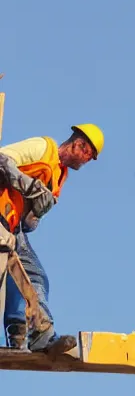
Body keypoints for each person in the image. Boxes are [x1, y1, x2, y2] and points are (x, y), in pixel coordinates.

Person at [0, 123, 104, 352]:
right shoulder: (42, 148)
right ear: (79, 144)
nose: (87, 161)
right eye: (88, 155)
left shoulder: (59, 178)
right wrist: (30, 186)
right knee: (13, 269)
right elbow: (2, 158)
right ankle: (28, 331)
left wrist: (34, 214)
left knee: (33, 275)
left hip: (12, 224)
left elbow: (29, 222)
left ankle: (29, 335)